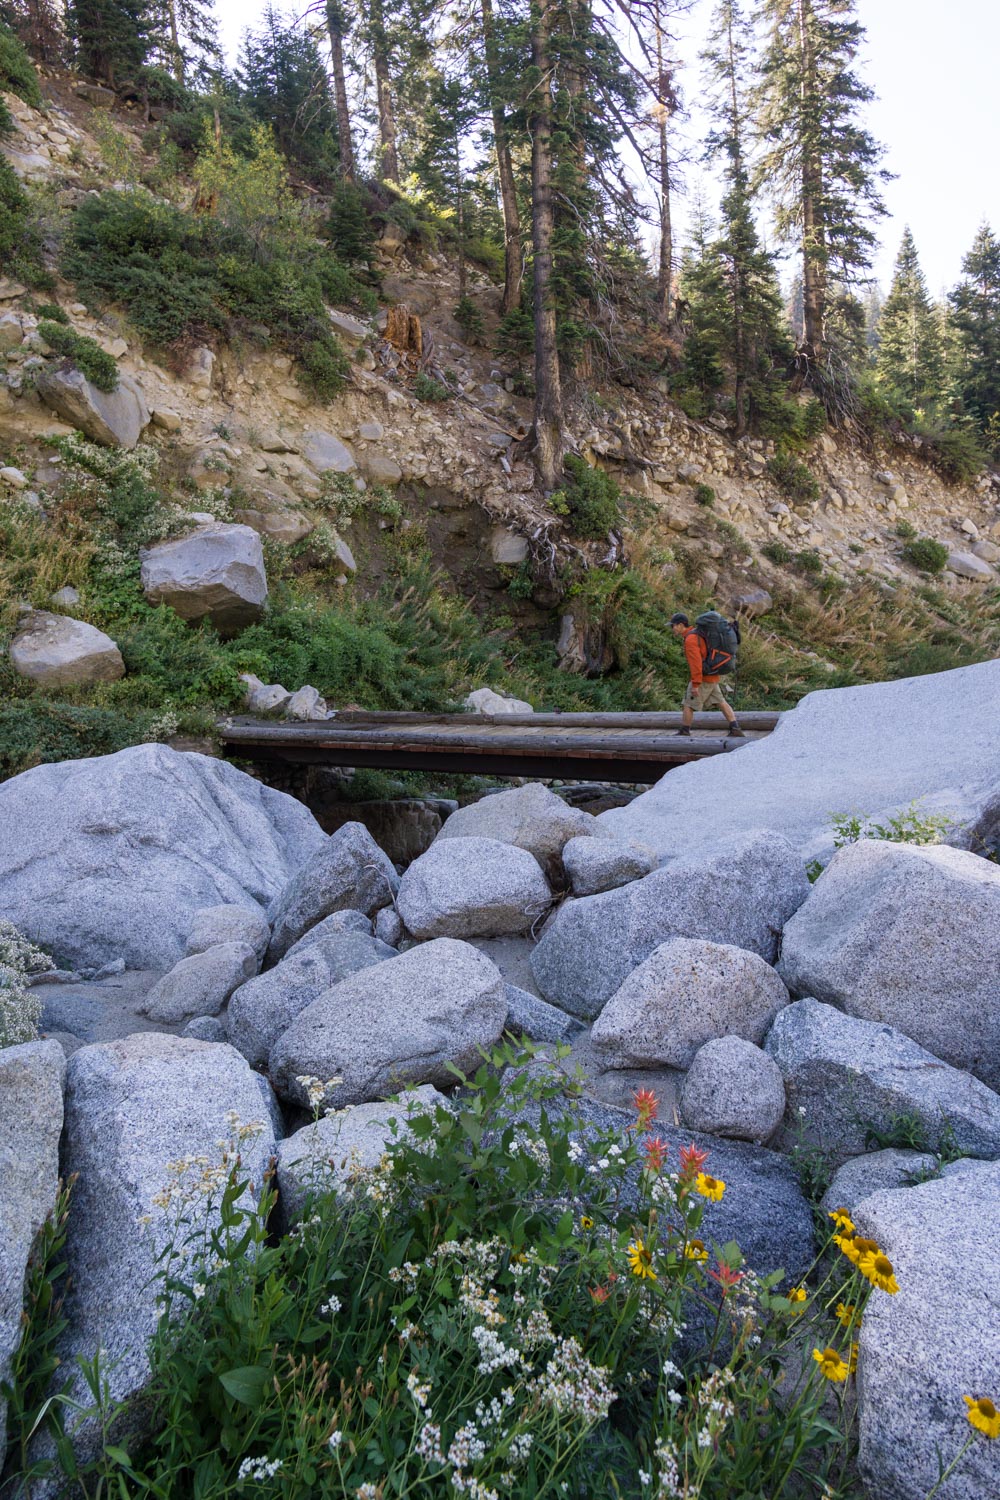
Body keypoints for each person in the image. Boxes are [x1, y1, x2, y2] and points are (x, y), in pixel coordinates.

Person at [670, 612, 745, 737]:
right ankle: (735, 727)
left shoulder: (690, 639)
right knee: (721, 702)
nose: (672, 629)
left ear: (680, 625)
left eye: (673, 626)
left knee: (688, 704)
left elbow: (696, 664)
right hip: (712, 676)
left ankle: (684, 731)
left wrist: (695, 684)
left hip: (704, 678)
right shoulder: (697, 633)